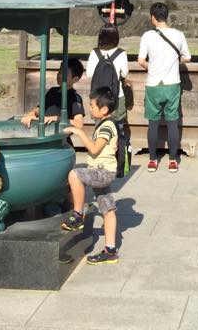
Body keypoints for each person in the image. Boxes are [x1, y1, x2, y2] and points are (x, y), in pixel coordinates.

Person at [60, 88, 120, 265]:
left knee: (75, 174)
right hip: (102, 170)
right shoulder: (105, 124)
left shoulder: (107, 126)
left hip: (103, 172)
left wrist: (79, 133)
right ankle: (110, 251)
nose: (90, 109)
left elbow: (94, 148)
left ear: (104, 110)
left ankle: (78, 214)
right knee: (107, 208)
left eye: (92, 106)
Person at [138, 2, 190, 172]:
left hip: (153, 84)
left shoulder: (147, 36)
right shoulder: (178, 35)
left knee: (153, 123)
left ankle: (153, 160)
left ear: (152, 17)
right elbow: (187, 58)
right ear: (166, 16)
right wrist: (174, 62)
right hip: (172, 84)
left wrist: (152, 67)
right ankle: (173, 160)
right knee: (172, 122)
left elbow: (140, 61)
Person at [20, 58, 85, 129]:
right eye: (60, 71)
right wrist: (32, 114)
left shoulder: (75, 98)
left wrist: (56, 119)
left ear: (75, 79)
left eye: (64, 73)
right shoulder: (52, 91)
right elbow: (39, 109)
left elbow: (79, 124)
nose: (60, 75)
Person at [86, 25, 129, 124]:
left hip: (98, 98)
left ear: (100, 37)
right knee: (117, 127)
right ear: (116, 37)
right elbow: (124, 73)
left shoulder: (94, 52)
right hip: (116, 96)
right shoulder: (121, 53)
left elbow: (89, 74)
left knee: (100, 127)